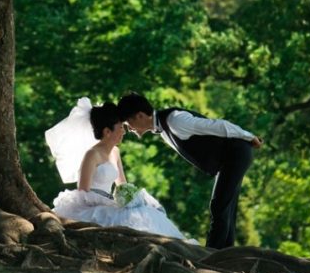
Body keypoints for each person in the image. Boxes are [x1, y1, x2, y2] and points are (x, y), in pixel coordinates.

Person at [118, 92, 263, 249]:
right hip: (230, 157)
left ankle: (211, 256)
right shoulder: (164, 128)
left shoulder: (174, 120)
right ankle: (225, 253)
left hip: (236, 152)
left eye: (128, 122)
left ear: (140, 116)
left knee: (219, 205)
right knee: (226, 207)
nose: (128, 128)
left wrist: (249, 136)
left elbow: (219, 125)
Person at [47, 99, 194, 240]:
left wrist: (130, 198)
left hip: (110, 202)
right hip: (92, 206)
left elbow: (122, 184)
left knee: (145, 212)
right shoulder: (91, 155)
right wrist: (109, 202)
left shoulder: (115, 152)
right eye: (120, 127)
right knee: (129, 217)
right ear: (107, 131)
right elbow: (83, 192)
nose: (124, 132)